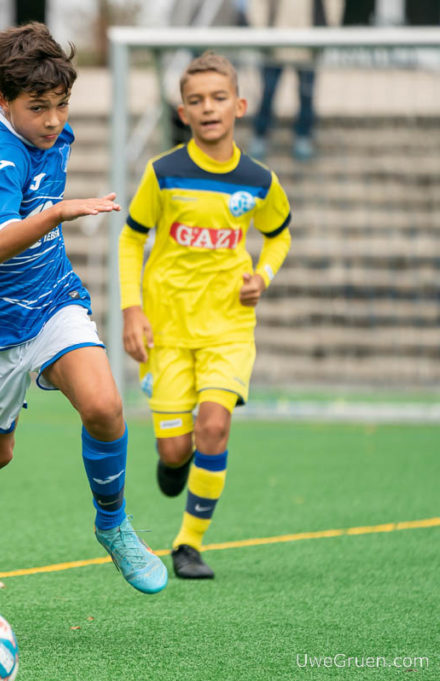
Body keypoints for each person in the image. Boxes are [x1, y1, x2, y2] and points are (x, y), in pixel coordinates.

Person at [0, 22, 168, 595]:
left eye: (61, 105)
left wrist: (56, 219)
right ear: (3, 102)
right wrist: (57, 214)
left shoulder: (52, 136)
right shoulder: (1, 155)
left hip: (53, 301)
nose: (52, 120)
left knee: (105, 407)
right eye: (37, 107)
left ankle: (113, 524)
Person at [119, 51, 293, 579]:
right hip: (167, 331)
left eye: (219, 98)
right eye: (196, 100)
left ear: (239, 106)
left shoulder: (259, 180)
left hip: (228, 329)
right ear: (183, 111)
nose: (209, 108)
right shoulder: (163, 172)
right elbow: (131, 239)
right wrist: (132, 311)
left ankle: (188, 544)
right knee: (176, 451)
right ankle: (174, 465)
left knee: (214, 426)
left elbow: (279, 235)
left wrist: (262, 276)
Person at [246, 0, 337, 161]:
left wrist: (327, 29)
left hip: (309, 43)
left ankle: (303, 136)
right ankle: (260, 135)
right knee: (268, 90)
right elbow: (258, 5)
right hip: (274, 43)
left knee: (306, 93)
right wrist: (260, 32)